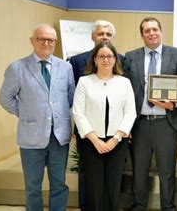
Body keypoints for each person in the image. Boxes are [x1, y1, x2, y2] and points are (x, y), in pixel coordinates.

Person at [0, 24, 75, 210]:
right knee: (33, 187)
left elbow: (70, 97)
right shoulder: (17, 68)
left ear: (55, 42)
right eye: (41, 39)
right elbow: (5, 98)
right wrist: (27, 114)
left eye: (50, 40)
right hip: (31, 137)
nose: (46, 43)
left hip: (59, 137)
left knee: (59, 185)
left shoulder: (65, 67)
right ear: (32, 40)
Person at [123, 16, 177, 211]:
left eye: (155, 29)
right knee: (139, 170)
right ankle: (138, 206)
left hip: (167, 122)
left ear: (161, 32)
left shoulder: (176, 54)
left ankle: (168, 207)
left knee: (167, 170)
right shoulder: (131, 56)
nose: (152, 33)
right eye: (147, 30)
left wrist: (174, 102)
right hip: (140, 123)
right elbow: (125, 89)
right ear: (142, 35)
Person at [72, 41, 136, 211]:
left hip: (117, 142)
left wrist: (115, 139)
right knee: (94, 188)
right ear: (95, 60)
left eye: (109, 56)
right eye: (101, 56)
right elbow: (78, 113)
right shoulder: (85, 82)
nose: (105, 60)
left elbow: (130, 113)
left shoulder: (124, 83)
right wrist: (96, 141)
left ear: (115, 60)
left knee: (113, 187)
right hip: (91, 143)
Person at [69, 19, 123, 211]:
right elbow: (75, 102)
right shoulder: (76, 62)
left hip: (116, 134)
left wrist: (122, 133)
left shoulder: (122, 60)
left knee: (111, 179)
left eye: (108, 35)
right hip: (88, 133)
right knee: (88, 176)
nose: (105, 37)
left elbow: (128, 103)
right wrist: (81, 130)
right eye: (101, 34)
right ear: (93, 36)